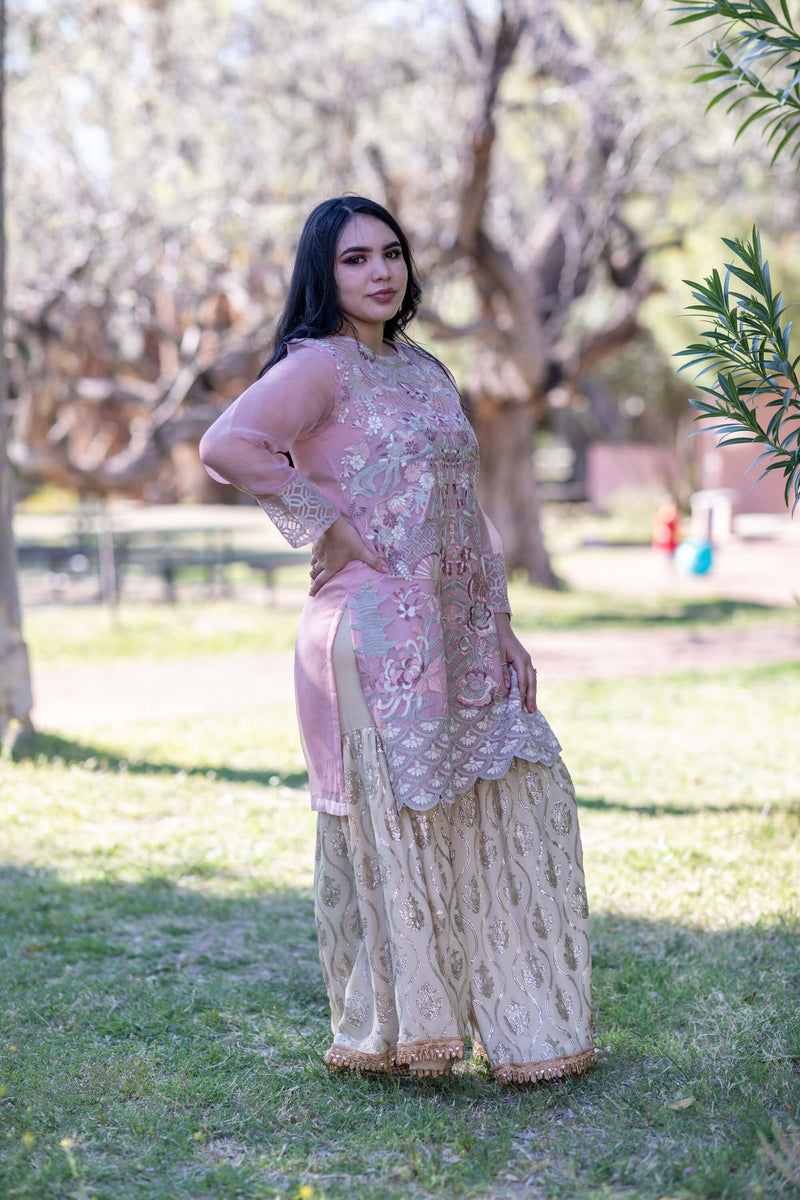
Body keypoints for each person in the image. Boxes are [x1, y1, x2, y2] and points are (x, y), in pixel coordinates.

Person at [199, 195, 595, 1084]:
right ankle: (401, 1032)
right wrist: (322, 521)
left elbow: (469, 513)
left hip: (454, 628)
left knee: (484, 795)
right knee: (398, 818)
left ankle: (510, 1021)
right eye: (354, 260)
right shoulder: (322, 367)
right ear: (323, 274)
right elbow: (230, 443)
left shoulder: (424, 371)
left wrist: (502, 627)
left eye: (392, 254)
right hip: (372, 630)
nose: (380, 273)